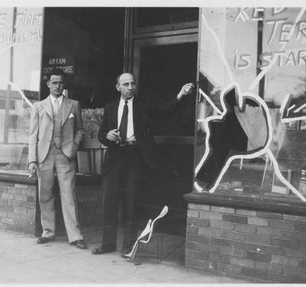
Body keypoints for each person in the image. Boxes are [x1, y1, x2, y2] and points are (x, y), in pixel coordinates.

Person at [91, 72, 194, 257]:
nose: (130, 87)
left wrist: (180, 95)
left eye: (132, 84)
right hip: (114, 156)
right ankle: (107, 244)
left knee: (131, 203)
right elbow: (101, 134)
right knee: (109, 202)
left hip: (134, 156)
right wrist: (107, 136)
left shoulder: (143, 106)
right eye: (126, 84)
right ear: (118, 87)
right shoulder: (110, 107)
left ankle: (128, 246)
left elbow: (165, 110)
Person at [28, 68, 87, 249]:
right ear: (48, 84)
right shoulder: (38, 106)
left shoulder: (73, 105)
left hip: (65, 154)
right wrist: (32, 160)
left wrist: (74, 146)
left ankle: (75, 236)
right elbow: (33, 135)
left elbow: (80, 129)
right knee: (45, 194)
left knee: (68, 194)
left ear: (64, 84)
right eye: (54, 83)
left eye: (60, 82)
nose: (57, 86)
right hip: (44, 154)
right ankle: (48, 232)